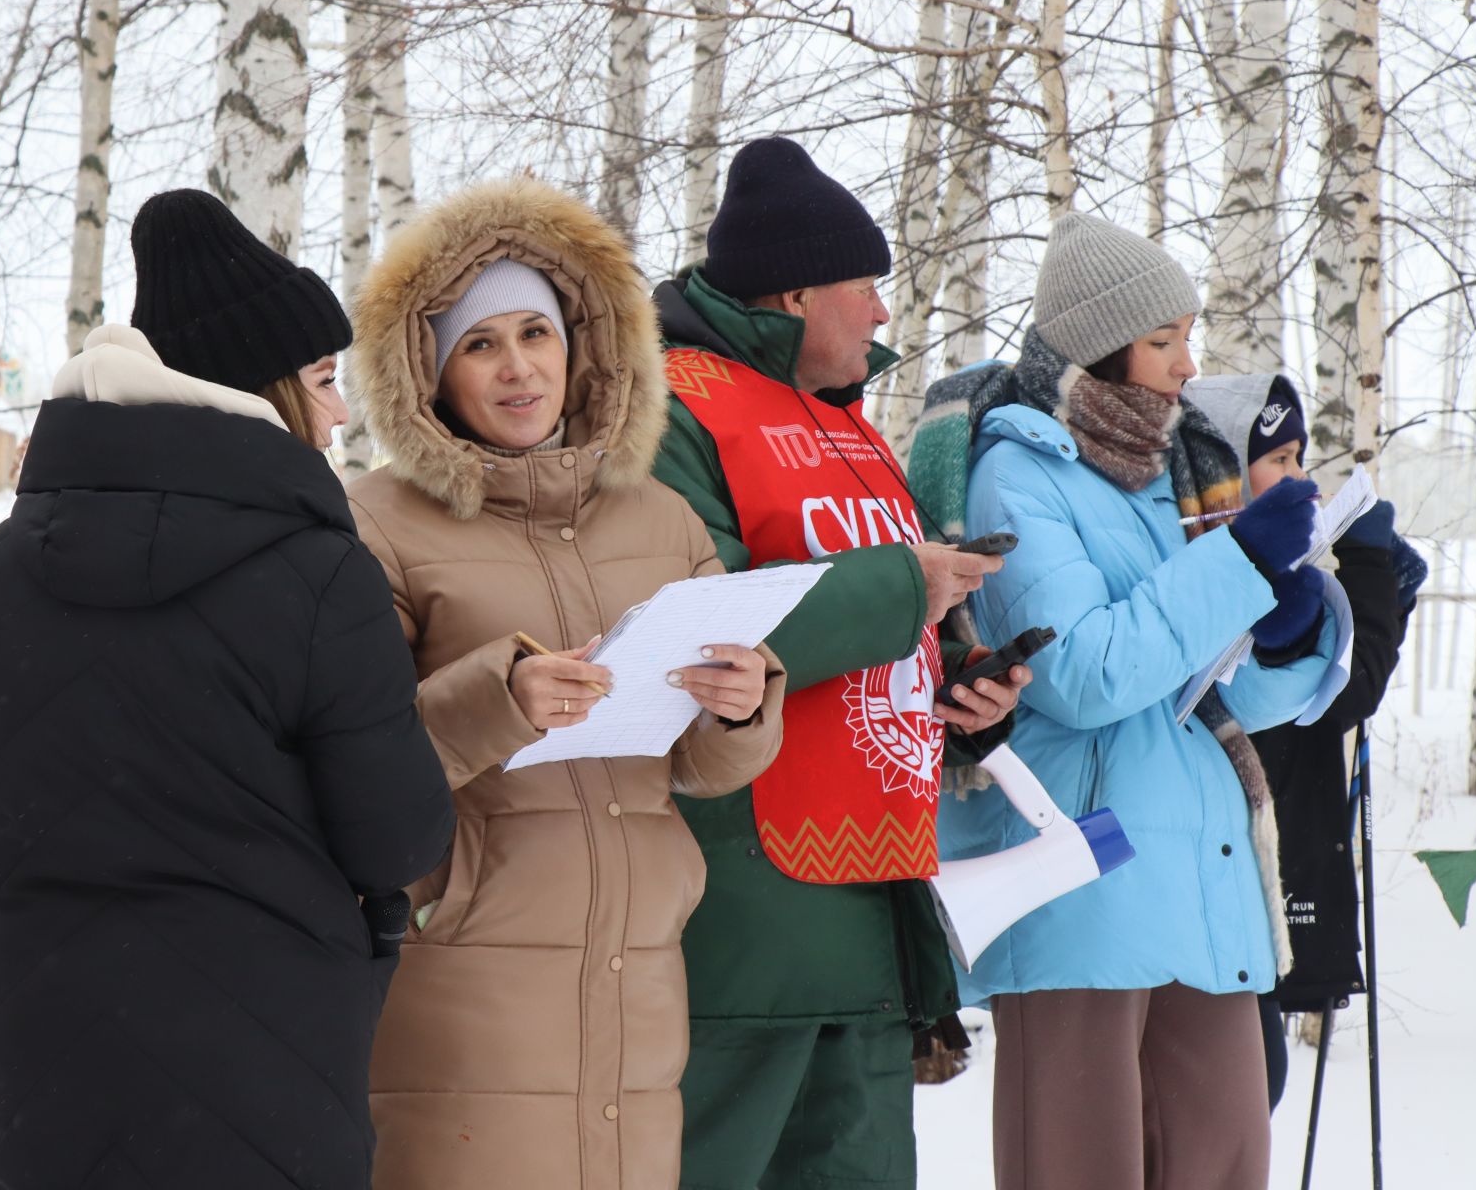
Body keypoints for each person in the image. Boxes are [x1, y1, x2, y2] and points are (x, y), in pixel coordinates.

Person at [0, 189, 455, 1190]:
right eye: (325, 382)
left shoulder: (19, 557)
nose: (339, 413)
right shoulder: (320, 571)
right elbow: (399, 837)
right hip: (265, 1079)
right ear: (267, 390)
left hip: (51, 1066)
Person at [343, 176, 788, 1190]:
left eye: (536, 335)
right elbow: (350, 754)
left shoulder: (660, 517)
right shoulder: (377, 522)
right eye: (481, 343)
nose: (518, 370)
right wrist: (498, 698)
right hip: (463, 970)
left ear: (580, 347)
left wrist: (742, 700)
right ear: (431, 367)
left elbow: (710, 767)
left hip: (638, 967)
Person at [912, 212, 1346, 1190]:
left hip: (1203, 875)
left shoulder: (1173, 471)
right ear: (1101, 342)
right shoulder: (1017, 471)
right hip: (1082, 885)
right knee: (1079, 1166)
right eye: (1165, 340)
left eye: (1189, 336)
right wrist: (1236, 565)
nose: (1189, 365)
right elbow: (1087, 671)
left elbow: (1211, 693)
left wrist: (1292, 623)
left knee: (1224, 1158)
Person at [648, 135, 1027, 1190]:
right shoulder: (675, 406)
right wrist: (907, 588)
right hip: (740, 923)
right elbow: (698, 622)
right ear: (795, 291)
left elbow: (895, 628)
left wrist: (964, 687)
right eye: (865, 286)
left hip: (871, 910)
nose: (879, 313)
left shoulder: (851, 424)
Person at [1185, 373, 1427, 1109]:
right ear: (1226, 467)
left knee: (1253, 1098)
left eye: (1300, 458)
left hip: (1272, 876)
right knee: (1236, 1097)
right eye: (1280, 460)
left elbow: (1347, 682)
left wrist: (1385, 589)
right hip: (1232, 892)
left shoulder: (1284, 569)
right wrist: (1372, 573)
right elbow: (1346, 693)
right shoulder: (1221, 576)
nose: (1302, 482)